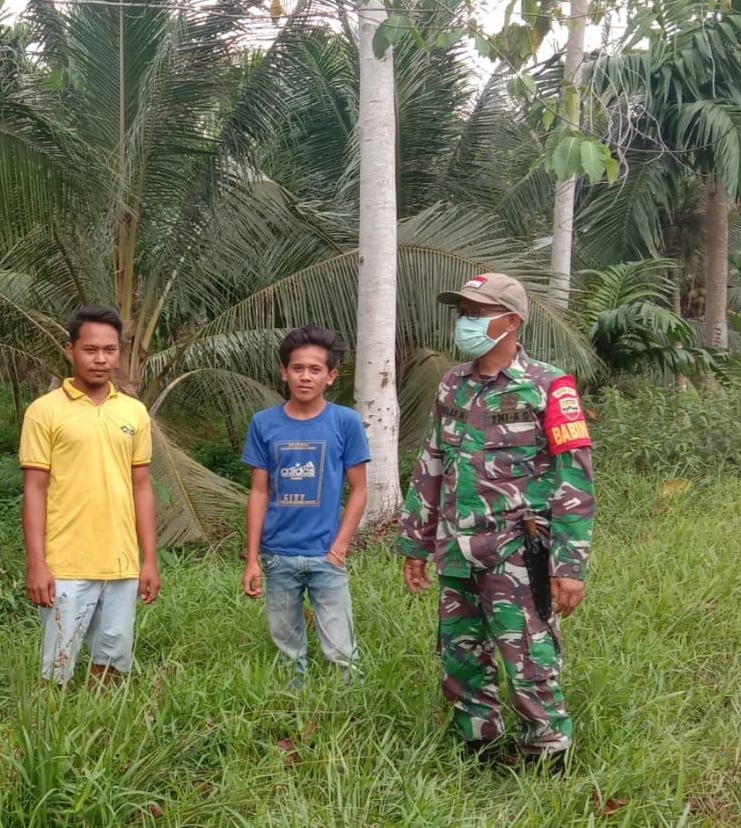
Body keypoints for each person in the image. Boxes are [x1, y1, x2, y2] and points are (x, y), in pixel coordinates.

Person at [398, 273, 595, 769]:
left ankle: (546, 753)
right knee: (461, 656)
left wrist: (570, 563)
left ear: (511, 320)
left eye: (477, 312)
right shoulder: (452, 383)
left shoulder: (551, 386)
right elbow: (431, 463)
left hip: (516, 551)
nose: (466, 321)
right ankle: (479, 746)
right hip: (456, 549)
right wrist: (415, 544)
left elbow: (575, 477)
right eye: (463, 311)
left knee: (529, 657)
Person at [20, 306, 161, 684]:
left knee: (112, 665)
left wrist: (149, 560)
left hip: (121, 563)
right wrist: (38, 564)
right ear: (71, 350)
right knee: (56, 668)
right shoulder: (44, 412)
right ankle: (51, 737)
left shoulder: (134, 412)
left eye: (110, 350)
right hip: (65, 562)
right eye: (91, 349)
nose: (101, 359)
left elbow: (142, 487)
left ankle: (104, 735)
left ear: (119, 352)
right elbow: (34, 490)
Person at [241, 326, 371, 682]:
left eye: (315, 370)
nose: (305, 377)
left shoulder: (345, 422)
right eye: (297, 368)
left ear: (330, 376)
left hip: (327, 554)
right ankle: (292, 710)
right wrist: (252, 558)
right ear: (284, 372)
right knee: (287, 649)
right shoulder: (264, 423)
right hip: (277, 553)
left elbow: (359, 490)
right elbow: (259, 492)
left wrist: (339, 548)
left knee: (342, 650)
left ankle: (349, 713)